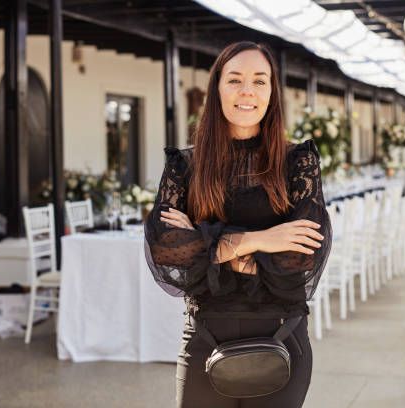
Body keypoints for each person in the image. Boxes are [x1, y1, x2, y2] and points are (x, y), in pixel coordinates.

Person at [144, 41, 332, 408]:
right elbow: (168, 249)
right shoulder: (184, 166)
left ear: (272, 93)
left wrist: (206, 245)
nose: (247, 91)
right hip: (204, 336)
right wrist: (264, 239)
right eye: (235, 80)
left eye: (260, 81)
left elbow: (300, 257)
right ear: (217, 89)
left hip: (283, 335)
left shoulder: (298, 162)